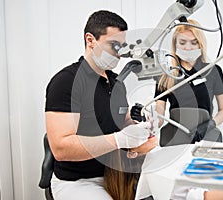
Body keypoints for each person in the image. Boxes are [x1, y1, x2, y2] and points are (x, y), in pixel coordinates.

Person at [45, 10, 157, 200]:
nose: (119, 54)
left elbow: (125, 121)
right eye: (113, 45)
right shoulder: (67, 82)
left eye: (121, 47)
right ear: (90, 40)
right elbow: (61, 148)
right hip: (78, 181)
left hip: (116, 176)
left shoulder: (117, 84)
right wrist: (119, 140)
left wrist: (140, 129)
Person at [154, 19, 223, 145]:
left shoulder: (212, 71)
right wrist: (147, 121)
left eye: (194, 43)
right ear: (175, 44)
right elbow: (159, 114)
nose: (188, 48)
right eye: (182, 43)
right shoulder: (166, 74)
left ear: (200, 44)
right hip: (174, 138)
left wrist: (210, 125)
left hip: (206, 136)